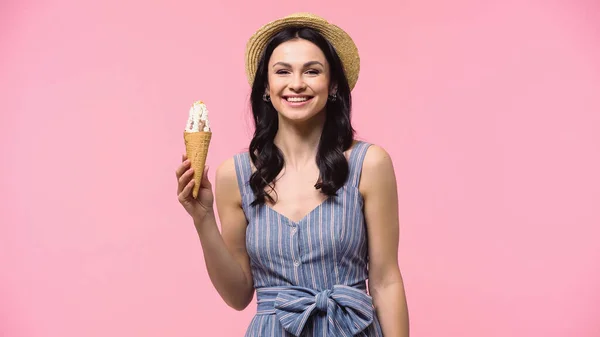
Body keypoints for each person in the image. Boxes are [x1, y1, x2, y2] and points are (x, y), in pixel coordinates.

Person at [175, 12, 409, 337]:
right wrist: (202, 219)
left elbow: (386, 281)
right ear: (267, 88)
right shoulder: (236, 174)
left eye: (312, 71)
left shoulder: (369, 164)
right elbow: (238, 294)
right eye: (283, 71)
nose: (296, 83)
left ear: (334, 85)